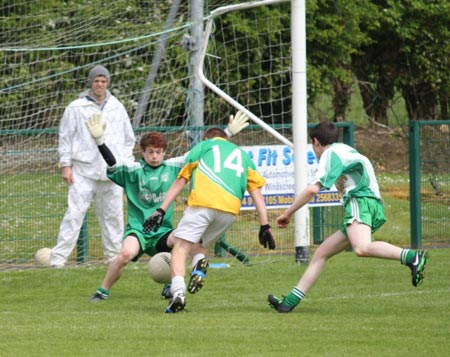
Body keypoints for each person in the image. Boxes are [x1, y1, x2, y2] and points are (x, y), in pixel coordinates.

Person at [87, 112, 250, 302]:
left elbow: (204, 150)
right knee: (125, 254)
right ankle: (102, 291)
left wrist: (227, 132)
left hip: (163, 232)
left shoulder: (173, 167)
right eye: (150, 152)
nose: (155, 156)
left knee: (185, 241)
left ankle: (172, 286)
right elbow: (113, 163)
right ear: (143, 153)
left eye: (158, 152)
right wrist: (99, 140)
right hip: (138, 230)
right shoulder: (133, 171)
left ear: (164, 152)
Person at [267, 121, 429, 313]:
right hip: (372, 204)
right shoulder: (345, 149)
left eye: (313, 145)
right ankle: (289, 303)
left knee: (362, 248)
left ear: (316, 142)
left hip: (359, 201)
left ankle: (412, 256)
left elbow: (312, 190)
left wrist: (287, 213)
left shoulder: (330, 154)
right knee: (321, 253)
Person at [144, 127, 276, 313]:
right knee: (199, 243)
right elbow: (256, 191)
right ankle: (199, 263)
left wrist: (161, 210)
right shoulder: (242, 154)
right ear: (226, 139)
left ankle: (178, 294)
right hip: (230, 211)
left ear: (206, 138)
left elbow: (181, 180)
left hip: (204, 203)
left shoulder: (204, 146)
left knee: (180, 248)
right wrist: (265, 225)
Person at [51, 65, 136, 268]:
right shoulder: (76, 107)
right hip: (83, 170)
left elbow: (128, 139)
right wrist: (66, 165)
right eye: (96, 81)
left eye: (103, 81)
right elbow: (65, 137)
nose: (100, 85)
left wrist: (125, 166)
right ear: (90, 82)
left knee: (113, 217)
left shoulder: (117, 107)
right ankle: (58, 260)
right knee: (74, 215)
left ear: (108, 83)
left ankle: (114, 259)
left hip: (111, 172)